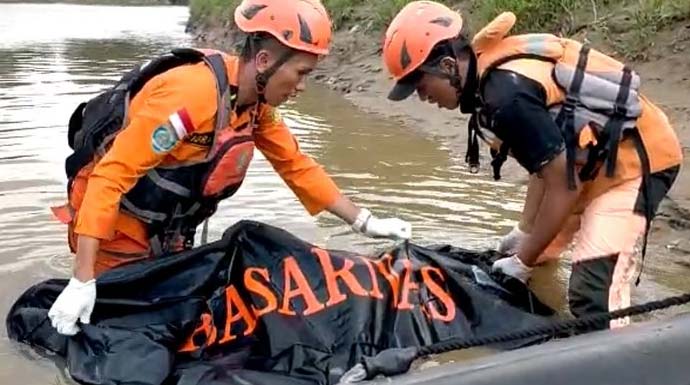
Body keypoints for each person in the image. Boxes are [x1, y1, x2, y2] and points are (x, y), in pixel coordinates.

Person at [47, 0, 412, 336]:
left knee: (172, 316)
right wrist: (82, 279)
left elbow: (297, 167)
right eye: (300, 73)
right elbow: (109, 178)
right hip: (116, 221)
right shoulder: (190, 96)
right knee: (116, 321)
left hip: (166, 223)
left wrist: (365, 222)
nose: (301, 87)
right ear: (266, 61)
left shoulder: (254, 107)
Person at [381, 1, 682, 327]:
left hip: (638, 164)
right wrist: (523, 233)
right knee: (538, 255)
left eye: (420, 86)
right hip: (588, 164)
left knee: (593, 295)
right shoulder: (488, 76)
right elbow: (544, 165)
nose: (422, 97)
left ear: (449, 65)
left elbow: (563, 187)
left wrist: (522, 261)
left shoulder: (506, 98)